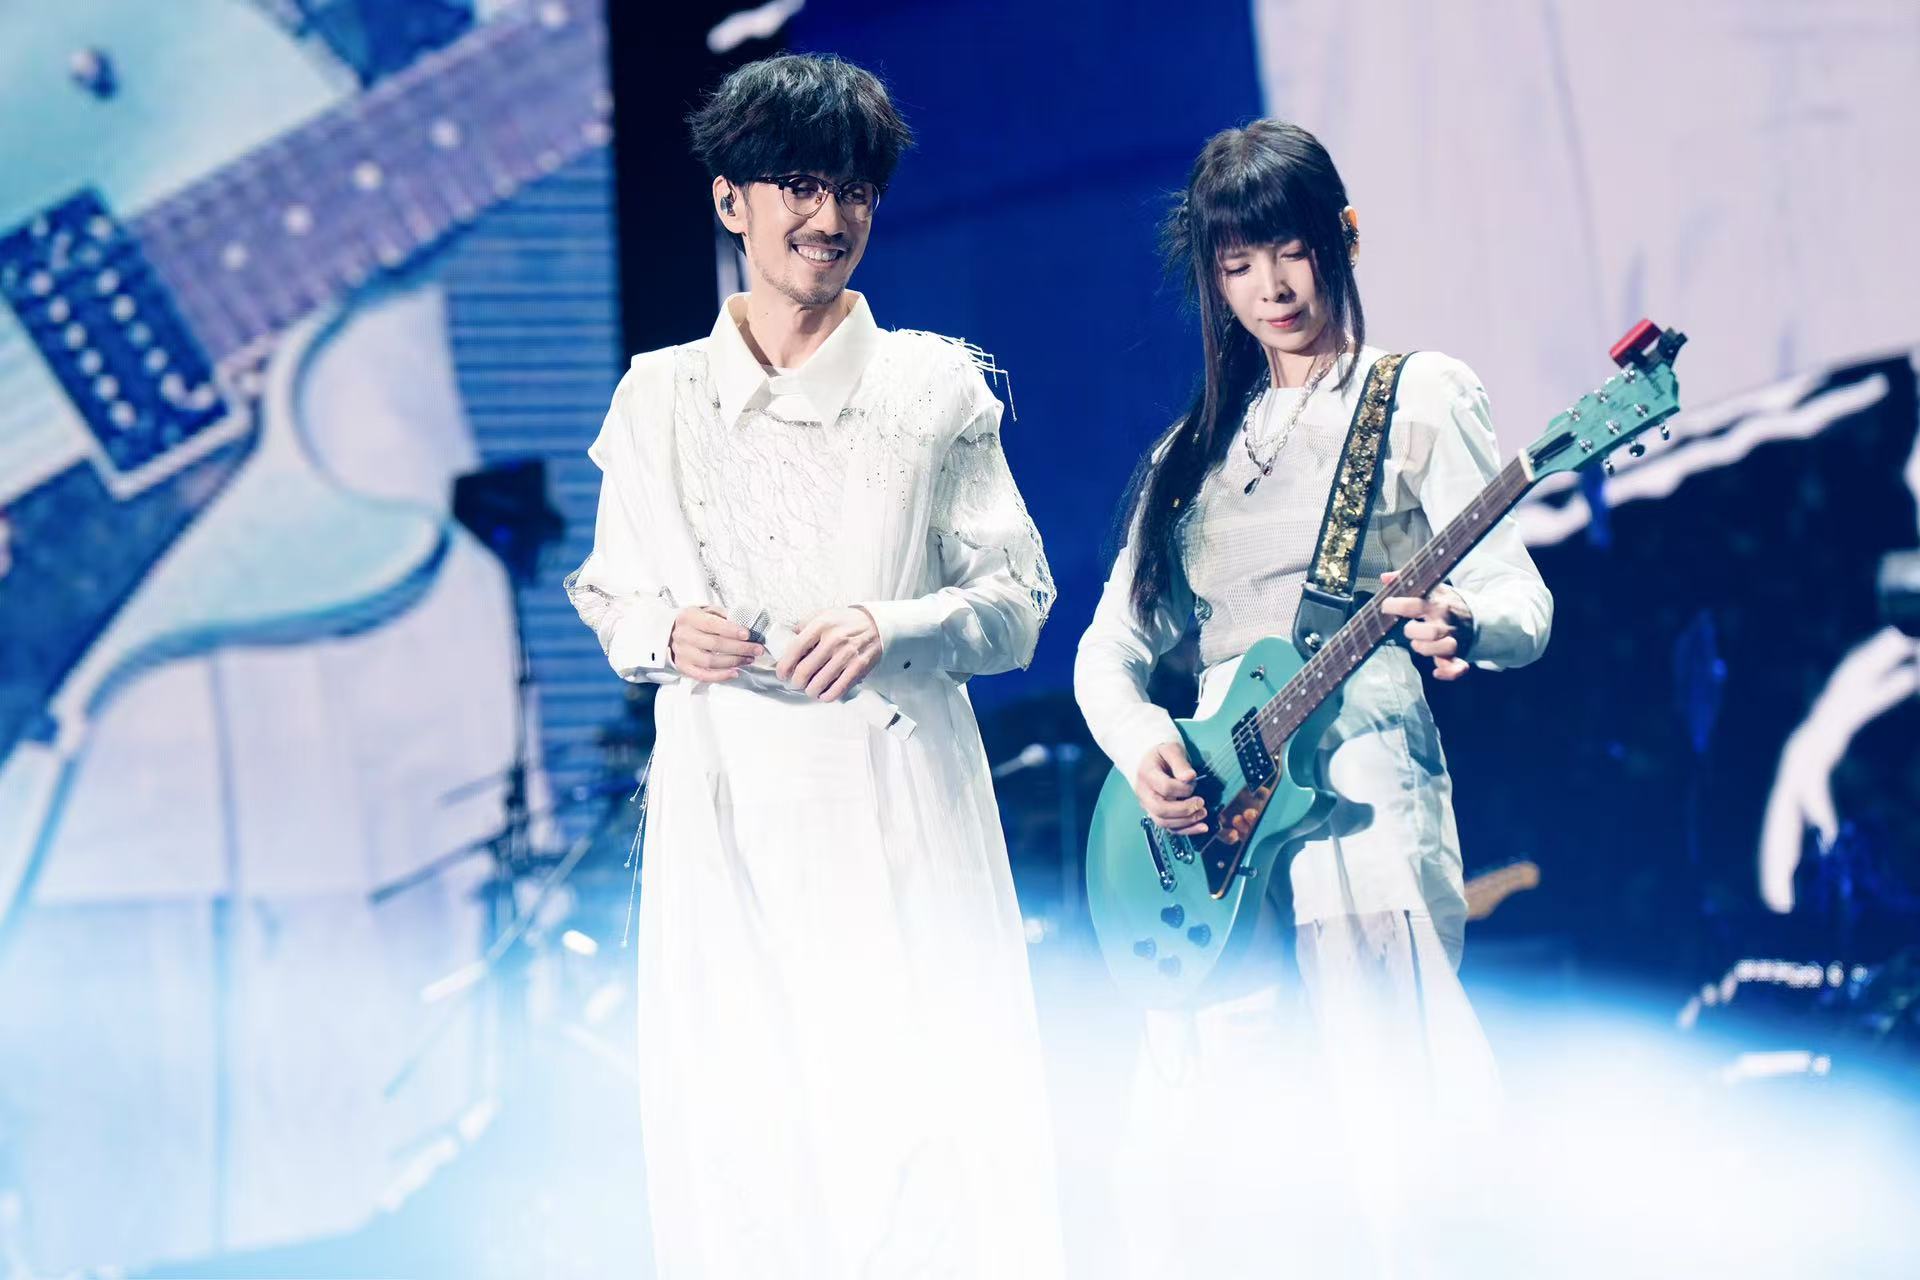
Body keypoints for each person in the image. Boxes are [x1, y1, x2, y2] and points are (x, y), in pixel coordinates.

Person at [564, 54, 1064, 1279]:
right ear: (731, 200)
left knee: (916, 1134)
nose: (829, 217)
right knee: (747, 1144)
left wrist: (891, 623)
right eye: (799, 185)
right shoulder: (657, 398)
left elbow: (1016, 603)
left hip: (894, 806)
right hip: (726, 809)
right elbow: (614, 591)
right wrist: (665, 636)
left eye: (854, 190)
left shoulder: (931, 386)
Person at [1074, 119, 1553, 1273]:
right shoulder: (1190, 451)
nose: (1271, 288)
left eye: (1290, 250)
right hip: (1213, 827)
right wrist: (1144, 745)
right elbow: (1108, 647)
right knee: (1225, 1147)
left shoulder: (1418, 395)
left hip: (1363, 796)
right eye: (1238, 264)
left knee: (1398, 1117)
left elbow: (1520, 598)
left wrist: (1467, 619)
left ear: (1345, 236)